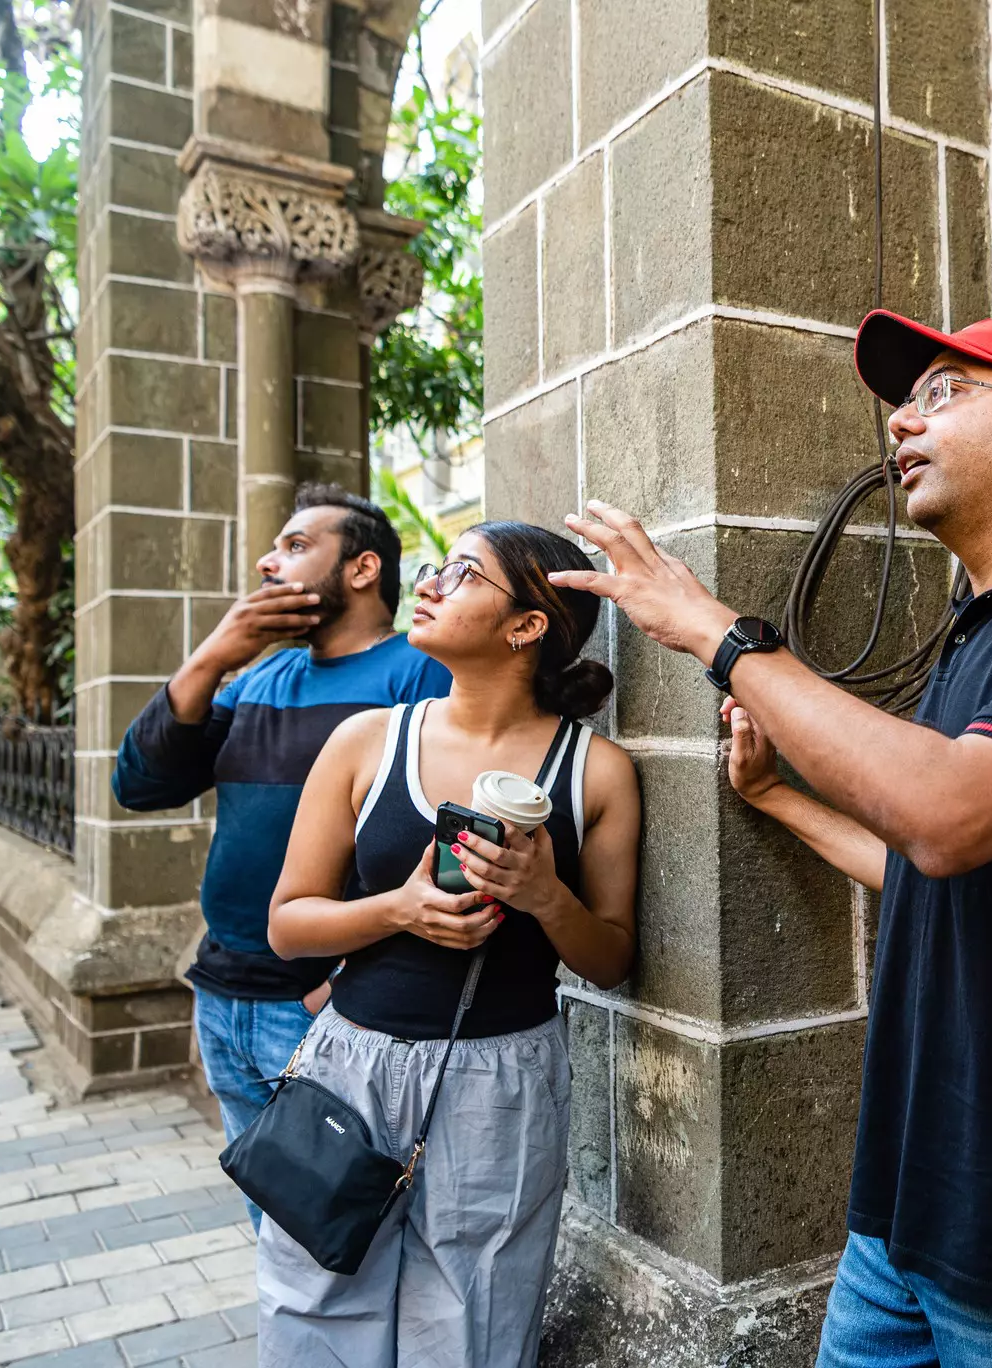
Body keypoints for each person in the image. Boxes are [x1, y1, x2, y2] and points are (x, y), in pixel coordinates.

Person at [550, 312, 992, 1367]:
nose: (902, 420)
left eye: (945, 390)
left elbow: (947, 817)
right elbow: (936, 876)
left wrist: (715, 634)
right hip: (907, 1216)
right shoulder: (978, 627)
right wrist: (781, 799)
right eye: (904, 400)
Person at [257, 521, 640, 1368]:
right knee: (314, 1311)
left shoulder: (596, 771)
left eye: (462, 574)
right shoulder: (367, 741)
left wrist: (544, 895)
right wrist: (399, 910)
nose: (428, 584)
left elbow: (611, 957)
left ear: (527, 626)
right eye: (437, 568)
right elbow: (289, 923)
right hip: (350, 1068)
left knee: (475, 1328)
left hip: (503, 1080)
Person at [112, 484, 451, 1209]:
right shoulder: (260, 675)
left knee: (339, 1226)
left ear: (361, 570)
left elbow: (439, 852)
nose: (270, 562)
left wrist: (339, 988)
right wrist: (213, 656)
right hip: (222, 994)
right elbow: (139, 785)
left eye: (296, 546)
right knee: (272, 1221)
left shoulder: (417, 674)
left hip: (321, 1007)